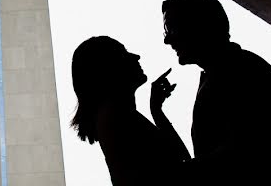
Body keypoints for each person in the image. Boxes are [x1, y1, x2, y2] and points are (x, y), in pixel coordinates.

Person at [153, 0, 271, 185]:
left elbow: (245, 151)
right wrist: (158, 113)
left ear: (198, 25)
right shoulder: (226, 71)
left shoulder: (242, 70)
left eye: (171, 29)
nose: (167, 40)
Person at [70, 36, 190, 186]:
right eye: (123, 53)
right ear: (108, 69)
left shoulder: (115, 116)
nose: (136, 56)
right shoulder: (118, 118)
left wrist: (156, 110)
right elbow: (180, 163)